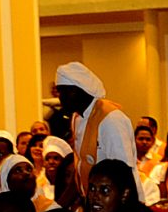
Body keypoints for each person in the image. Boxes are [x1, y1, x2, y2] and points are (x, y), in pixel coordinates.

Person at [55, 62, 136, 193]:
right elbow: (80, 168)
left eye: (63, 92)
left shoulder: (110, 119)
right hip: (94, 199)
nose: (60, 98)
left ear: (78, 90)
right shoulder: (77, 118)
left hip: (117, 200)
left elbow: (123, 172)